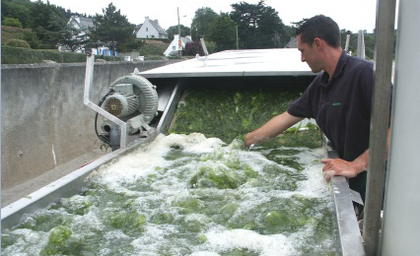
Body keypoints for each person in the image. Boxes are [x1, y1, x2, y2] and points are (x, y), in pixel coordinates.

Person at [245, 15, 375, 204]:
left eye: (302, 51)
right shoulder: (321, 84)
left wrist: (357, 165)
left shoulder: (363, 74)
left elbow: (397, 130)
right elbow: (286, 118)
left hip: (377, 182)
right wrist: (248, 140)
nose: (302, 58)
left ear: (317, 43)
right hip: (349, 177)